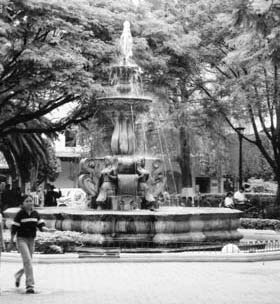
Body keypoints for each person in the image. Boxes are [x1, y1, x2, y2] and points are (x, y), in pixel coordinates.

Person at [8, 194, 55, 294]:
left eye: (31, 201)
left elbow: (41, 225)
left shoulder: (35, 213)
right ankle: (30, 285)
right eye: (27, 201)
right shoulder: (20, 214)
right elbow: (14, 229)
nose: (30, 202)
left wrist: (48, 230)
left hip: (31, 240)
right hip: (21, 240)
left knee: (28, 262)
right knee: (28, 261)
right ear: (23, 203)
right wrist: (11, 242)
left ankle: (18, 275)